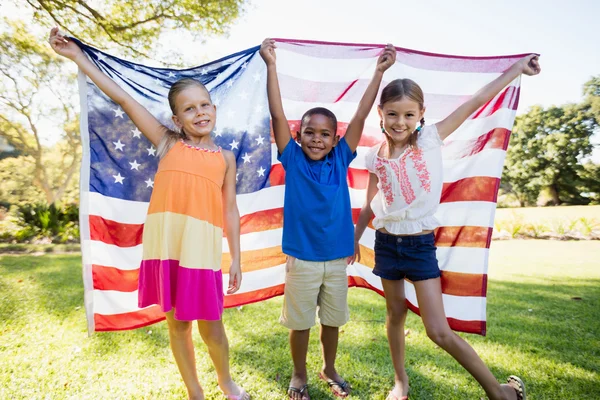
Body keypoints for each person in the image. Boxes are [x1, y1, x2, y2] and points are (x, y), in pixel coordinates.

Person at [49, 27, 249, 400]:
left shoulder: (226, 158)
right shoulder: (167, 142)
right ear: (177, 120)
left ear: (214, 109)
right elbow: (125, 99)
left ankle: (226, 382)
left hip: (201, 250)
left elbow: (231, 210)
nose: (199, 112)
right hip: (167, 247)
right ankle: (195, 391)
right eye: (189, 108)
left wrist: (236, 257)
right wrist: (78, 58)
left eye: (204, 105)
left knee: (212, 326)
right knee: (178, 325)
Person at [350, 54, 541, 400]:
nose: (399, 121)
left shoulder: (430, 140)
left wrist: (515, 71)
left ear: (421, 114)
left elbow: (476, 101)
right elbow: (370, 203)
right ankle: (400, 382)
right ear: (381, 114)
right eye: (392, 113)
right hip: (386, 245)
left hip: (420, 246)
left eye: (409, 114)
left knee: (438, 331)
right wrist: (353, 240)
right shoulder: (373, 156)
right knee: (394, 315)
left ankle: (499, 392)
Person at [259, 38, 396, 399]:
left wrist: (379, 72)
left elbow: (362, 115)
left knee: (332, 321)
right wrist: (271, 66)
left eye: (324, 134)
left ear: (336, 140)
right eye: (309, 132)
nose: (317, 139)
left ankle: (329, 367)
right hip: (302, 260)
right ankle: (299, 374)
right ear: (297, 136)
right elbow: (276, 114)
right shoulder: (292, 159)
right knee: (301, 323)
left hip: (336, 258)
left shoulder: (339, 159)